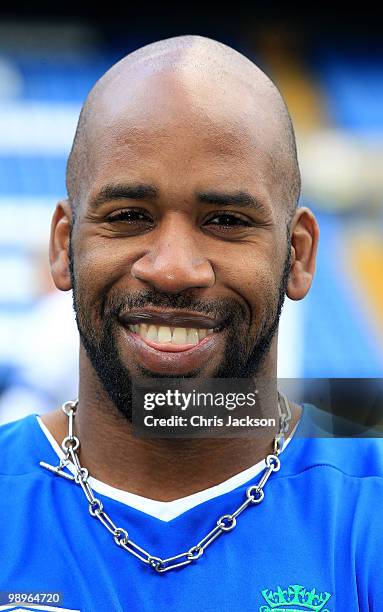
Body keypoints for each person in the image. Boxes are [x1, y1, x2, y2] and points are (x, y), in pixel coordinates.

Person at [0, 35, 382, 612]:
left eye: (226, 220)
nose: (174, 269)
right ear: (62, 246)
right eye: (129, 217)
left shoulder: (368, 508)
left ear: (299, 255)